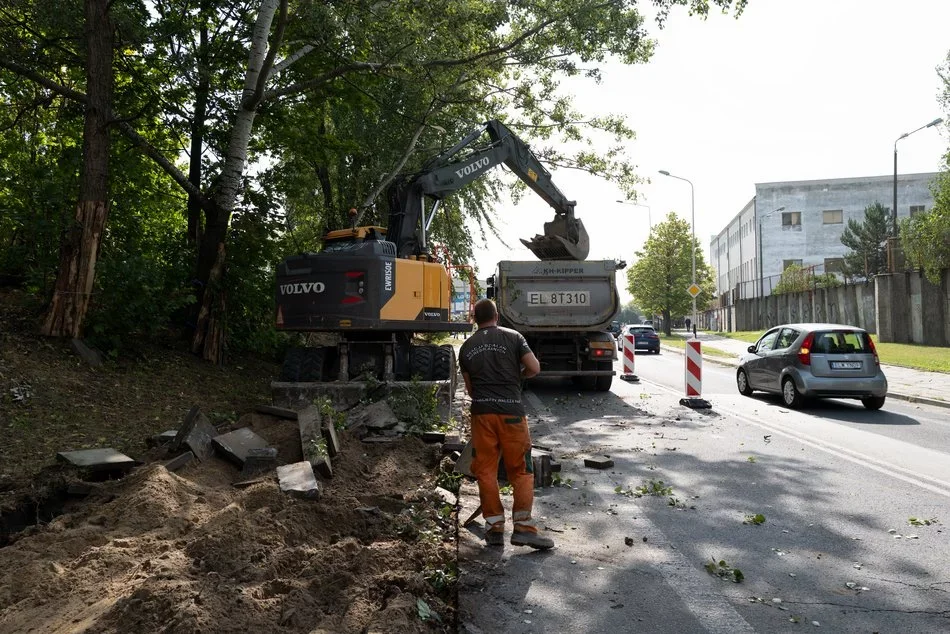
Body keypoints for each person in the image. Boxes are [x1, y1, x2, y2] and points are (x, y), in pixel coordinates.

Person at [458, 298, 553, 550]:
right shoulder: (514, 337)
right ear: (497, 315)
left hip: (482, 415)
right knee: (521, 470)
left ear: (474, 318)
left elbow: (469, 389)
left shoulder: (466, 347)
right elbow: (534, 368)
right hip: (511, 413)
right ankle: (523, 528)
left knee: (485, 471)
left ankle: (494, 529)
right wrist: (516, 377)